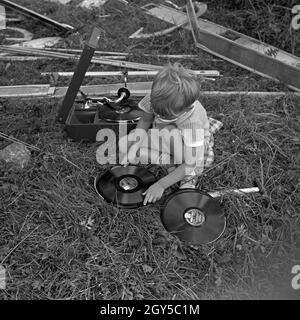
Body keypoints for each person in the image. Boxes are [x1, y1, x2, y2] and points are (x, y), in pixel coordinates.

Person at [119, 63, 222, 205]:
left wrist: (161, 185)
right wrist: (133, 149)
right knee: (124, 144)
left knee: (174, 139)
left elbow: (191, 163)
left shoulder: (193, 122)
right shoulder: (156, 98)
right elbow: (144, 121)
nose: (159, 115)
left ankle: (187, 177)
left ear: (186, 109)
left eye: (165, 115)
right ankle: (169, 162)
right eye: (157, 111)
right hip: (164, 136)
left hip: (189, 148)